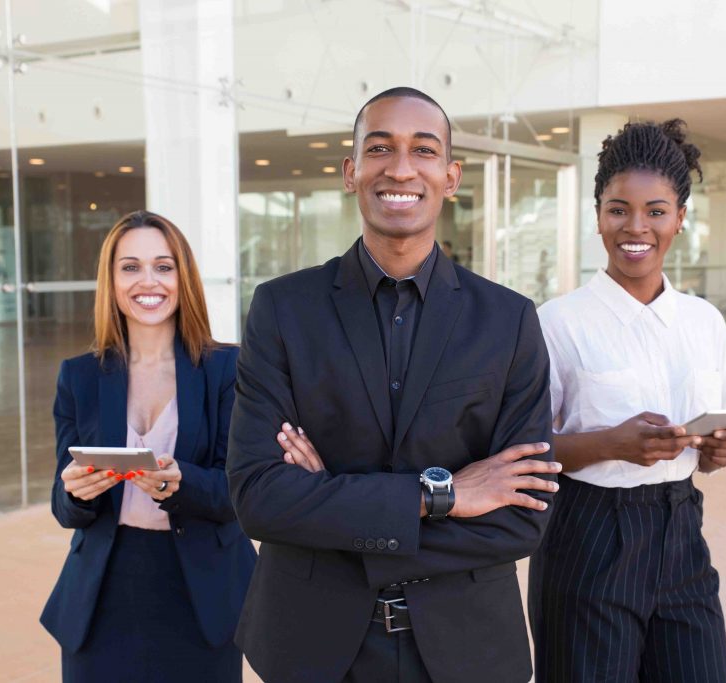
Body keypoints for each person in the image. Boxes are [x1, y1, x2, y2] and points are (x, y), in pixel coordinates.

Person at [226, 87, 561, 683]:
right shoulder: (282, 310)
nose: (400, 168)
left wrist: (331, 504)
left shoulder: (509, 321)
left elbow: (521, 517)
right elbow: (259, 498)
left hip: (467, 651)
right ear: (351, 172)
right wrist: (443, 497)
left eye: (423, 150)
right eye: (379, 148)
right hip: (313, 647)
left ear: (451, 175)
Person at [529, 120, 726, 682]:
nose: (636, 227)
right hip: (587, 539)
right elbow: (524, 450)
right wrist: (611, 444)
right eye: (617, 208)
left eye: (656, 210)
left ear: (679, 217)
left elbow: (718, 431)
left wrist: (723, 449)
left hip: (682, 535)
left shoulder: (704, 322)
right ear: (597, 214)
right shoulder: (558, 324)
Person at [40, 210, 257, 682]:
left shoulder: (229, 369)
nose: (148, 281)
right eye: (130, 267)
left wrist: (183, 484)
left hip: (202, 594)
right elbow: (64, 509)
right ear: (112, 281)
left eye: (163, 266)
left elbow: (242, 493)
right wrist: (76, 491)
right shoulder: (79, 376)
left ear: (183, 277)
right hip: (103, 594)